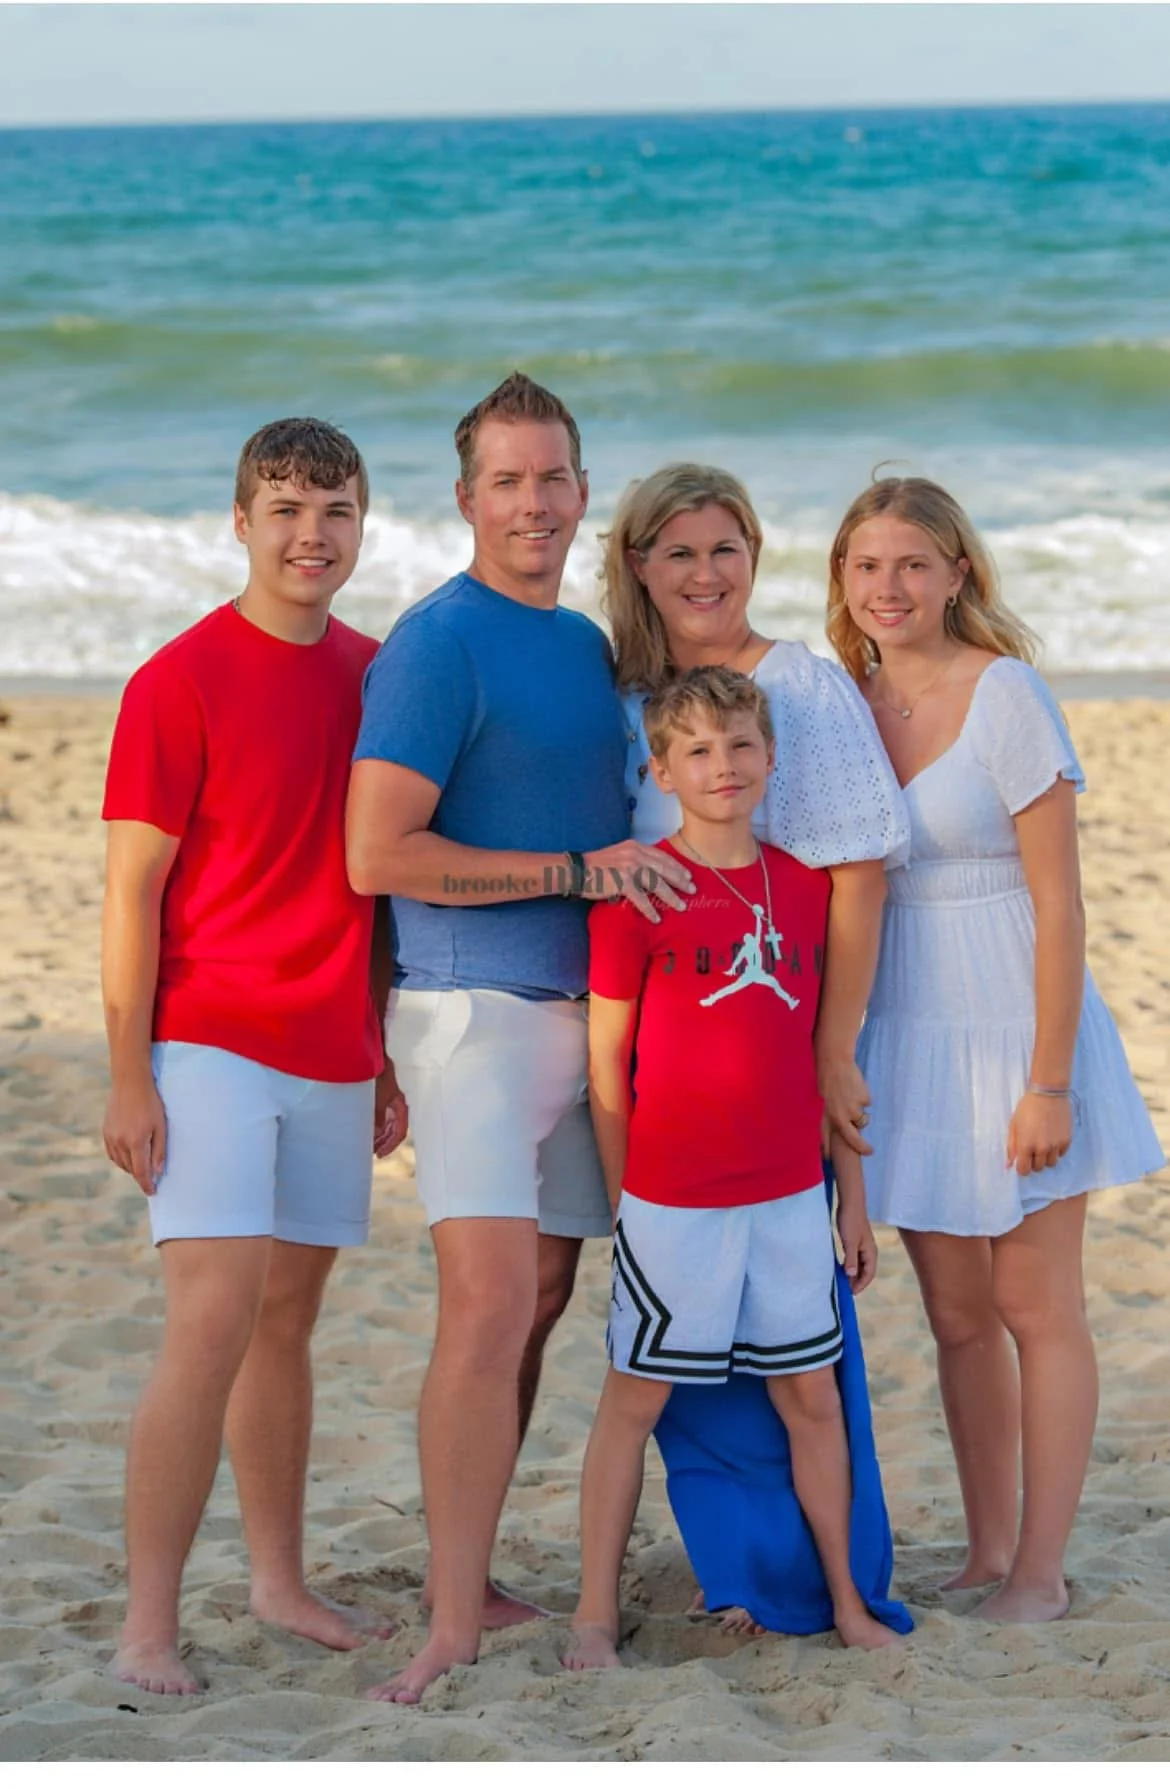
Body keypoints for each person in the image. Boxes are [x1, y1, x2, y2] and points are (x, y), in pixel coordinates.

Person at [345, 372, 695, 1705]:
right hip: (472, 1015)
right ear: (464, 497)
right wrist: (569, 871)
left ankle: (473, 1566)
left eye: (553, 478)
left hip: (586, 1018)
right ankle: (447, 1620)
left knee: (542, 1303)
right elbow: (379, 851)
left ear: (582, 493)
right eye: (506, 480)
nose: (532, 502)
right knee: (488, 1307)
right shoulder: (437, 642)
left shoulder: (585, 646)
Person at [100, 418, 405, 1697]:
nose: (309, 535)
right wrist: (129, 1072)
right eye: (283, 509)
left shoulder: (379, 674)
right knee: (212, 1322)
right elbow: (130, 895)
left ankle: (278, 1581)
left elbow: (384, 888)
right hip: (210, 1040)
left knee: (289, 1322)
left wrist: (383, 1046)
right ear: (239, 521)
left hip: (335, 1042)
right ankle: (147, 1626)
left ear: (362, 524)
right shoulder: (176, 681)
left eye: (333, 510)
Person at [828, 474, 1165, 1622]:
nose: (890, 587)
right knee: (956, 1314)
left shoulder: (1006, 692)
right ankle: (984, 1550)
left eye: (913, 564)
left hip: (1020, 1027)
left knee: (1037, 1307)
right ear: (843, 579)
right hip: (908, 1036)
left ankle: (1039, 1572)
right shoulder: (844, 703)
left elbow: (1062, 905)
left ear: (959, 573)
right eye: (867, 566)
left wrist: (1050, 1081)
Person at [604, 463, 911, 1630]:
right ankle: (734, 1574)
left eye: (725, 548)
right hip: (673, 1079)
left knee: (794, 1363)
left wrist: (837, 1055)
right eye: (677, 551)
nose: (703, 572)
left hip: (781, 1065)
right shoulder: (634, 692)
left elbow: (856, 879)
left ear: (755, 554)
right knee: (688, 1377)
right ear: (638, 564)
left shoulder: (799, 688)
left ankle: (813, 1582)